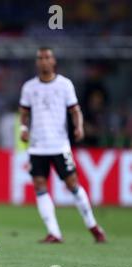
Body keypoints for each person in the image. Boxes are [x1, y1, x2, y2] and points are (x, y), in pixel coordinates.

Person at [19, 47, 106, 243]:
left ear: (53, 62)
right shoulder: (29, 87)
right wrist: (23, 129)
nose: (43, 61)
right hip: (37, 146)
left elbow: (75, 110)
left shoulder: (65, 85)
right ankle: (54, 232)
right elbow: (23, 113)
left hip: (59, 145)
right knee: (40, 185)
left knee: (72, 184)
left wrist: (79, 127)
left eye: (47, 57)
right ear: (37, 62)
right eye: (40, 58)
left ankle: (93, 226)